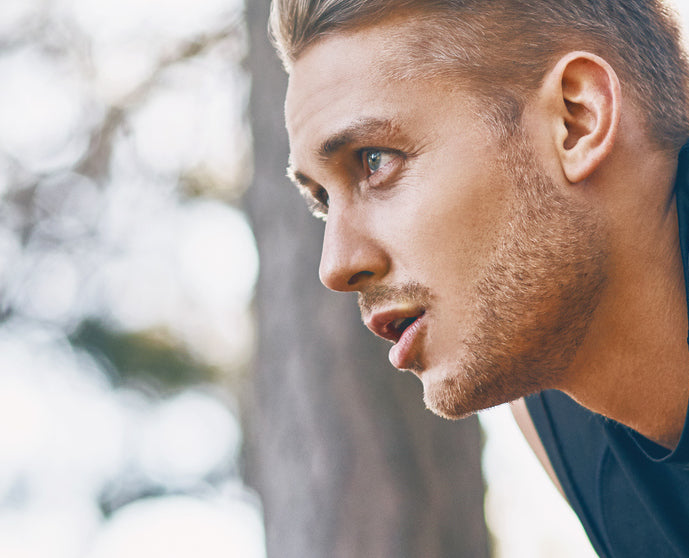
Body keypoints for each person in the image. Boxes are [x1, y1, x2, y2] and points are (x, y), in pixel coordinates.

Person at [270, 0, 689, 555]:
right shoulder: (554, 419)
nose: (337, 267)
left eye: (374, 162)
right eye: (323, 201)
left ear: (576, 120)